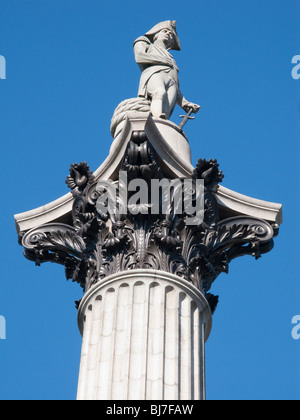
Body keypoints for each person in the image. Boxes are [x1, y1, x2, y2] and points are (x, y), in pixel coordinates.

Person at [134, 20, 200, 120]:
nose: (168, 34)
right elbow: (139, 57)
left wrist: (185, 104)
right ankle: (156, 117)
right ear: (156, 34)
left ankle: (161, 124)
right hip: (155, 73)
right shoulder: (146, 44)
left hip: (172, 83)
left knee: (166, 109)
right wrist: (164, 60)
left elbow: (177, 89)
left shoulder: (172, 60)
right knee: (159, 92)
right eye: (165, 31)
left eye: (171, 35)